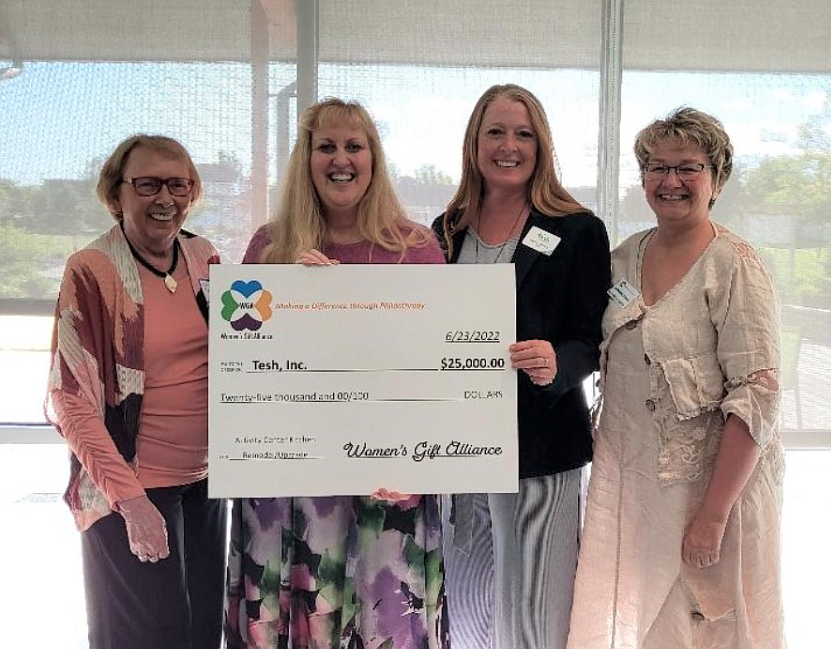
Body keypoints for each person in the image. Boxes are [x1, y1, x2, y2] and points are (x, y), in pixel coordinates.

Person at [225, 98, 450, 649]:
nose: (340, 159)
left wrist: (424, 462)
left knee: (388, 627)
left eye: (354, 146)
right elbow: (247, 370)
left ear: (374, 158)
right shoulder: (270, 247)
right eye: (325, 147)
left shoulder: (415, 248)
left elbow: (439, 370)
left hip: (388, 485)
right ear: (306, 160)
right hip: (291, 488)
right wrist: (294, 293)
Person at [567, 108, 785, 648]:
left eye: (688, 167)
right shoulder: (623, 258)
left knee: (708, 627)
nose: (670, 182)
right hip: (634, 487)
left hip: (711, 494)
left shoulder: (733, 265)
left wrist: (713, 516)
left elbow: (757, 396)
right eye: (656, 168)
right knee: (642, 623)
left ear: (717, 178)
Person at [432, 84, 611, 649]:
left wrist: (559, 361)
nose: (509, 146)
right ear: (474, 142)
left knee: (537, 614)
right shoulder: (444, 230)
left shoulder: (578, 229)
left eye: (523, 133)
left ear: (541, 145)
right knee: (472, 605)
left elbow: (590, 339)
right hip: (461, 451)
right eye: (496, 132)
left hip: (540, 448)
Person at [45, 135, 226, 649]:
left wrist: (313, 288)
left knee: (198, 633)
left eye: (178, 184)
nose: (165, 198)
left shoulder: (203, 256)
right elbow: (70, 399)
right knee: (146, 638)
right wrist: (133, 503)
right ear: (116, 193)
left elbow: (254, 337)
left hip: (206, 485)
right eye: (147, 184)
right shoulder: (92, 269)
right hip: (134, 489)